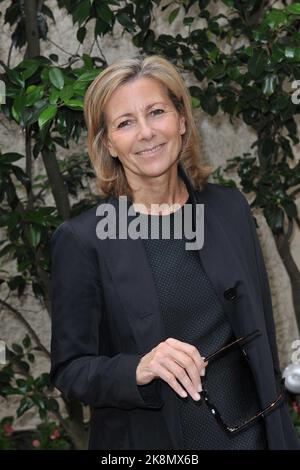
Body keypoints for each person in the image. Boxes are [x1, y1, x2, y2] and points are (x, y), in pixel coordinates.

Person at [50, 54, 300, 450]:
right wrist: (139, 367)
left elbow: (261, 337)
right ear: (109, 143)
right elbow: (70, 369)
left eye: (156, 112)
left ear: (182, 120)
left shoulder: (230, 209)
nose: (146, 132)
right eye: (125, 123)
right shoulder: (84, 240)